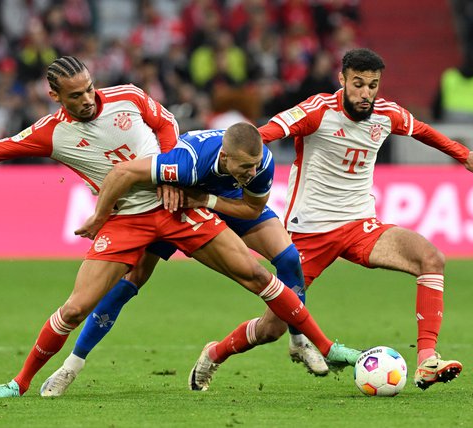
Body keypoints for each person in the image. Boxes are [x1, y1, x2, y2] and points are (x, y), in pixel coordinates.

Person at [0, 56, 359, 398]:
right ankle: (21, 382)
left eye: (90, 88)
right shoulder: (52, 132)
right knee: (77, 306)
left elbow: (167, 123)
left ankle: (324, 345)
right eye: (76, 95)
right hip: (126, 220)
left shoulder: (128, 96)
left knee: (259, 275)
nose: (89, 99)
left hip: (174, 208)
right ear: (55, 97)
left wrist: (174, 170)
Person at [245, 47, 473, 390]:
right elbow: (265, 133)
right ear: (343, 80)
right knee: (272, 328)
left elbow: (423, 131)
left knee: (430, 258)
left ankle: (427, 360)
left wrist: (464, 155)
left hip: (360, 225)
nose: (365, 94)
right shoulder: (317, 111)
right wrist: (227, 157)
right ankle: (214, 353)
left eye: (373, 85)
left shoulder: (386, 114)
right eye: (358, 84)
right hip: (309, 232)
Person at [39, 126, 334, 397]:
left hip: (223, 201)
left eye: (254, 164)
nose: (252, 170)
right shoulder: (188, 161)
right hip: (178, 206)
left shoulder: (259, 163)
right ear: (224, 155)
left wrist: (206, 200)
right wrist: (104, 214)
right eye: (245, 166)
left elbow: (253, 210)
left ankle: (299, 341)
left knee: (289, 258)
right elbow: (129, 171)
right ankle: (71, 366)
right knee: (128, 283)